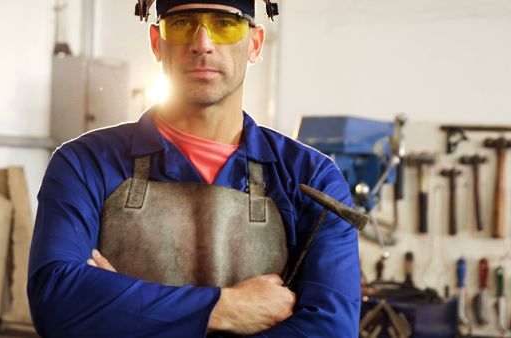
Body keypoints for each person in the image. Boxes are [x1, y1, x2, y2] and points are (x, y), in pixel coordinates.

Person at [28, 0, 360, 337]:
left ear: (255, 44)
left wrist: (123, 309)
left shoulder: (309, 177)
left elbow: (330, 329)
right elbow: (56, 302)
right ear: (157, 42)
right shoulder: (85, 164)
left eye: (224, 24)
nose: (202, 43)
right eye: (183, 23)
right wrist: (226, 308)